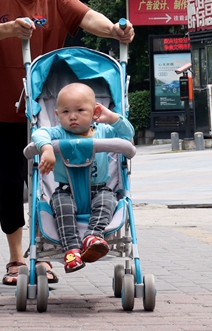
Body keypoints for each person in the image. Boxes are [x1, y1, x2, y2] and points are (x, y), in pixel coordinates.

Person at [0, 0, 135, 286]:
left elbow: (86, 15)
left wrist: (113, 29)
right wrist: (11, 28)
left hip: (47, 112)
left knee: (46, 185)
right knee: (10, 185)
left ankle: (43, 254)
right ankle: (17, 258)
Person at [32, 83, 135, 273]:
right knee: (62, 206)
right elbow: (39, 133)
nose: (72, 116)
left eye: (80, 110)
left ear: (95, 111)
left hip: (99, 189)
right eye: (65, 112)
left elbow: (127, 134)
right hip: (66, 191)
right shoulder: (57, 133)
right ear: (57, 114)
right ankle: (71, 250)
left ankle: (92, 237)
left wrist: (112, 118)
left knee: (108, 199)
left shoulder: (104, 131)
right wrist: (47, 148)